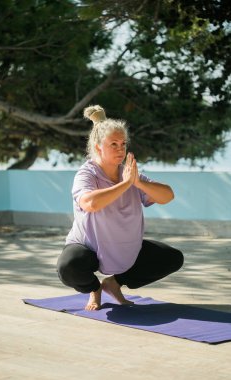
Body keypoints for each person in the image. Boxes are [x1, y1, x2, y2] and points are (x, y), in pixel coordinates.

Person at [57, 105, 184, 311]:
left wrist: (138, 183)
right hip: (90, 249)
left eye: (123, 144)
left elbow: (167, 195)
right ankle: (94, 288)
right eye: (113, 144)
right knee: (68, 267)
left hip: (124, 247)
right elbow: (90, 203)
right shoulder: (87, 174)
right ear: (98, 147)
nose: (120, 149)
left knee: (172, 258)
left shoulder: (129, 174)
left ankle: (113, 283)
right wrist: (124, 185)